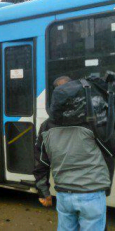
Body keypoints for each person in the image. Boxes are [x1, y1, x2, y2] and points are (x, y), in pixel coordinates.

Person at [34, 76, 115, 231]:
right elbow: (110, 151)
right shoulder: (93, 121)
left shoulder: (46, 127)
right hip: (91, 193)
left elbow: (41, 162)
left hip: (64, 195)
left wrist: (43, 192)